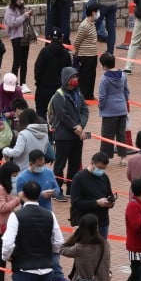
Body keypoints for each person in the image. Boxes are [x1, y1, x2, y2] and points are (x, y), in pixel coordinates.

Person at [49, 67, 89, 197]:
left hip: (77, 136)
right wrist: (75, 127)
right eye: (72, 77)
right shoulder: (59, 95)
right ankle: (57, 189)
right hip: (63, 136)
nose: (75, 80)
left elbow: (84, 110)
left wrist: (81, 125)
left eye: (76, 77)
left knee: (75, 164)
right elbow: (63, 116)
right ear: (66, 79)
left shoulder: (78, 93)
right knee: (60, 165)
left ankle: (71, 189)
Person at [70, 152, 116, 240]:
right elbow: (76, 203)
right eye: (99, 168)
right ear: (92, 163)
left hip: (102, 222)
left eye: (103, 169)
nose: (101, 171)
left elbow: (109, 194)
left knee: (102, 250)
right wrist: (96, 203)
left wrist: (110, 202)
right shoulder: (79, 178)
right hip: (85, 223)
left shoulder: (104, 177)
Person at [97, 53, 130, 162]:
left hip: (109, 111)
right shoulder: (123, 75)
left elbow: (102, 96)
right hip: (122, 108)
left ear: (105, 65)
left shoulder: (105, 78)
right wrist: (125, 103)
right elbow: (126, 91)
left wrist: (101, 107)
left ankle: (105, 157)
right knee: (121, 134)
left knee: (107, 135)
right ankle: (123, 157)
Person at [33, 29, 72, 117]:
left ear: (50, 38)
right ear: (62, 38)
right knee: (60, 115)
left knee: (41, 113)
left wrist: (39, 83)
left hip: (44, 88)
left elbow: (37, 70)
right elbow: (70, 73)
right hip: (60, 90)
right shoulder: (66, 54)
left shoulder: (44, 52)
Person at [2, 0, 34, 86]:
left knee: (24, 61)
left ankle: (23, 83)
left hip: (25, 36)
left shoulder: (21, 8)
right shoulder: (9, 9)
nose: (21, 1)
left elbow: (23, 21)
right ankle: (13, 82)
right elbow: (12, 23)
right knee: (17, 61)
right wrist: (24, 16)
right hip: (16, 38)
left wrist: (28, 15)